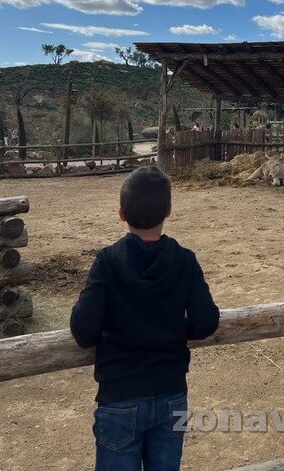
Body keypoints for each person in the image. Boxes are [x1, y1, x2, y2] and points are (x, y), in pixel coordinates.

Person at [70, 166, 220, 471]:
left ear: (121, 214)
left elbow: (83, 331)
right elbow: (206, 321)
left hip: (120, 395)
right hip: (171, 393)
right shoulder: (185, 260)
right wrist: (174, 328)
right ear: (169, 211)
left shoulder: (107, 262)